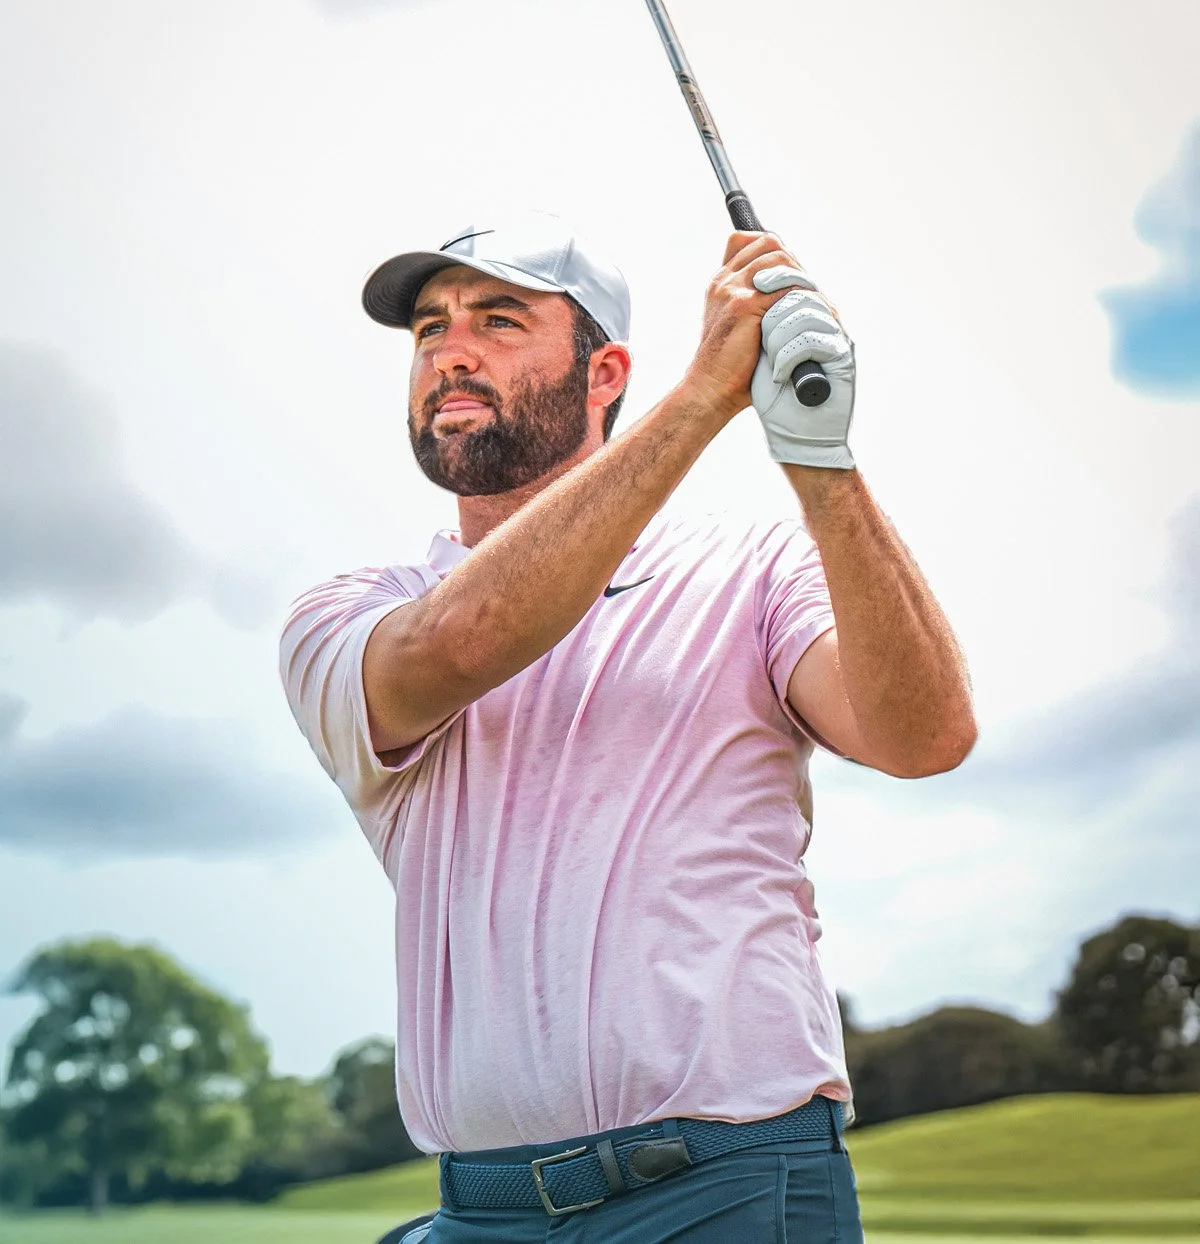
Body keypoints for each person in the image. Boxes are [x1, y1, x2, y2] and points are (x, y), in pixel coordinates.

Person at [280, 210, 976, 1242]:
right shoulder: (351, 613)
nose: (451, 351)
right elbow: (462, 644)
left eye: (500, 320)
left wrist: (820, 460)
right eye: (430, 329)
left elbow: (923, 738)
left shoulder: (754, 569)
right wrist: (706, 398)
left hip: (729, 1187)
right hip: (483, 1207)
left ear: (605, 375)